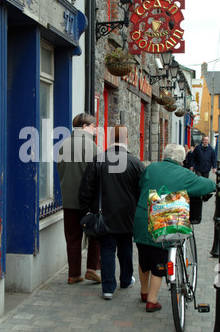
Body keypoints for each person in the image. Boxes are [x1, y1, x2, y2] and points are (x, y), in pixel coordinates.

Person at [133, 143, 216, 312]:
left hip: (143, 215)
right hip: (165, 218)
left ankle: (144, 291)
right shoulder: (185, 174)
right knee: (160, 259)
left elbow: (141, 184)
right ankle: (152, 300)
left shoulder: (151, 168)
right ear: (181, 159)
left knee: (144, 256)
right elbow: (206, 185)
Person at [79, 125, 145, 300]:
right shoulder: (136, 163)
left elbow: (86, 188)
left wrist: (85, 209)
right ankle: (125, 279)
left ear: (109, 140)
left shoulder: (98, 160)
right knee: (126, 249)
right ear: (127, 140)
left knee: (107, 250)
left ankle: (108, 288)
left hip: (104, 214)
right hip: (128, 215)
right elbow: (143, 192)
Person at [57, 113, 101, 285]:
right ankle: (92, 269)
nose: (94, 129)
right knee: (95, 234)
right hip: (89, 201)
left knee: (72, 237)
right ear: (84, 127)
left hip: (69, 200)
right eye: (92, 125)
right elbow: (97, 175)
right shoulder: (92, 146)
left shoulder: (63, 145)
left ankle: (73, 274)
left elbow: (61, 170)